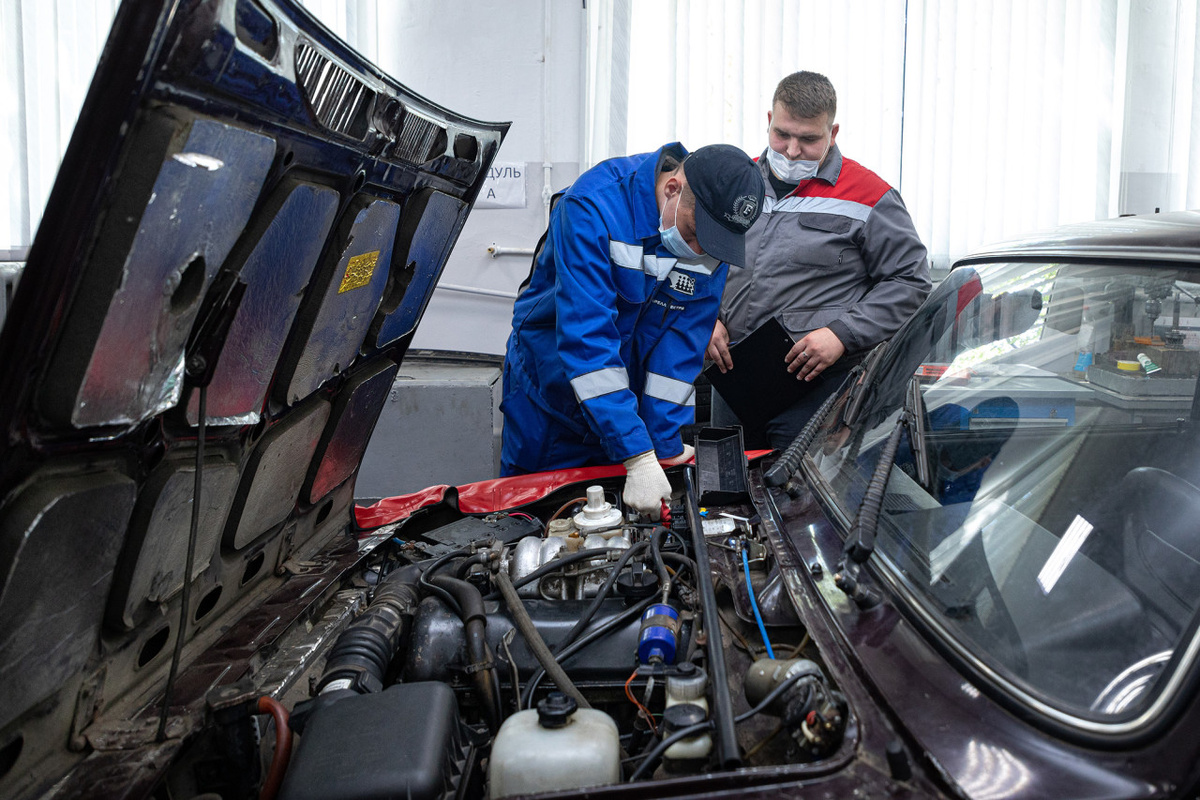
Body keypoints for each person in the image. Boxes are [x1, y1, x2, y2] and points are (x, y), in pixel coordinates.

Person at [501, 143, 765, 518]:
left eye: (712, 243)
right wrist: (638, 456)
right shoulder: (592, 208)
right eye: (693, 233)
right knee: (536, 520)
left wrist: (663, 444)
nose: (697, 250)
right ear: (672, 188)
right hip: (551, 402)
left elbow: (680, 348)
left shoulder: (708, 241)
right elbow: (587, 340)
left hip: (626, 406)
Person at [707, 71, 931, 449]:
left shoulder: (869, 195)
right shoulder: (734, 181)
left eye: (808, 139)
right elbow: (697, 256)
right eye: (782, 134)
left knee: (795, 501)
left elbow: (911, 281)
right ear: (768, 121)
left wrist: (842, 334)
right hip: (732, 382)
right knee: (725, 497)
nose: (792, 150)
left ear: (833, 132)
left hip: (813, 391)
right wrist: (703, 317)